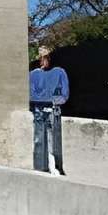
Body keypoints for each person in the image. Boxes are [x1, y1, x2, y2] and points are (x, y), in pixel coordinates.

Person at [30, 43, 69, 174]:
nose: (43, 60)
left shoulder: (60, 72)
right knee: (38, 140)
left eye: (46, 57)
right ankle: (40, 168)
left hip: (53, 110)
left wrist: (52, 100)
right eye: (41, 57)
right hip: (38, 110)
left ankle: (56, 168)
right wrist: (49, 98)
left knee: (54, 140)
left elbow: (64, 95)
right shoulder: (34, 74)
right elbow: (31, 94)